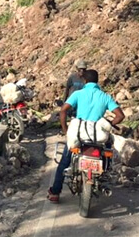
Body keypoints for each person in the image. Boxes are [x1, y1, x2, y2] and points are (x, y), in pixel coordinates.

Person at [47, 69, 125, 203]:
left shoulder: (78, 94)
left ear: (85, 81)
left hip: (79, 134)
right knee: (107, 151)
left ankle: (55, 192)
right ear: (97, 81)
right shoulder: (105, 96)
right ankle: (104, 172)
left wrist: (66, 129)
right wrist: (108, 124)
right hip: (98, 135)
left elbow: (63, 110)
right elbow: (120, 116)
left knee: (65, 161)